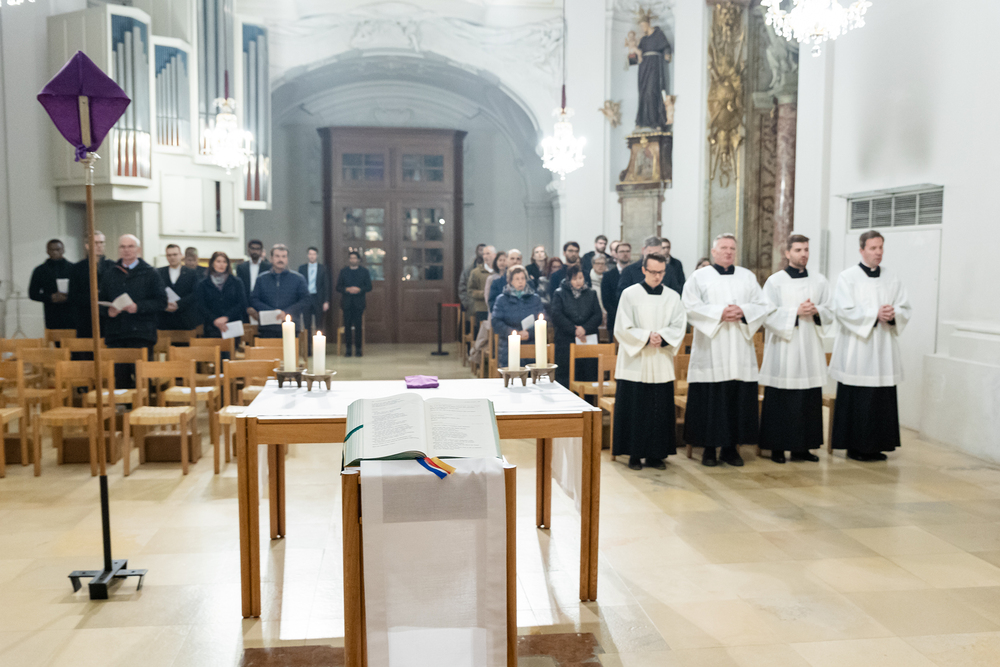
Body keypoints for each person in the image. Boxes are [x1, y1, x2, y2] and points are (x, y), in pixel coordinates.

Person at [682, 233, 773, 467]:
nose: (728, 252)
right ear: (714, 252)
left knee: (736, 398)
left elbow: (762, 305)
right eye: (723, 248)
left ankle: (731, 449)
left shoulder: (747, 276)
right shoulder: (699, 277)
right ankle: (709, 450)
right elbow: (689, 306)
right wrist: (719, 313)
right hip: (711, 348)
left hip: (739, 347)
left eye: (732, 248)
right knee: (712, 400)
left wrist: (743, 312)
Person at [830, 231, 912, 462]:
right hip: (859, 347)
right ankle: (855, 446)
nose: (878, 252)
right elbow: (843, 310)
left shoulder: (891, 277)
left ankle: (878, 445)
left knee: (881, 398)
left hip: (883, 347)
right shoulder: (848, 277)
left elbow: (905, 307)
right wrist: (874, 314)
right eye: (873, 248)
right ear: (861, 250)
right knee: (859, 397)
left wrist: (894, 314)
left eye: (880, 248)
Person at [759, 235, 834, 463]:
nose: (803, 254)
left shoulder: (819, 281)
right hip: (784, 348)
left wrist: (817, 310)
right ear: (787, 253)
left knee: (808, 399)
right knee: (782, 398)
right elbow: (767, 313)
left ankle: (803, 448)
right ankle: (777, 448)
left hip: (809, 347)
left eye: (806, 250)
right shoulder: (775, 281)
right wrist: (795, 312)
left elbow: (831, 309)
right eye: (798, 250)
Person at [613, 252, 688, 470]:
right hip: (635, 361)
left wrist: (662, 337)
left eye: (661, 272)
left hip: (660, 358)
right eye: (653, 272)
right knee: (636, 408)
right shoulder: (629, 294)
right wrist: (646, 337)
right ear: (644, 270)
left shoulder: (672, 297)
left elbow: (679, 325)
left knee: (659, 409)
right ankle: (634, 454)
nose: (657, 276)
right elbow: (621, 327)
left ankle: (657, 455)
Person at [100, 234, 167, 389]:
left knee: (142, 380)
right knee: (119, 381)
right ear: (118, 250)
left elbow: (161, 302)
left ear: (138, 249)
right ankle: (122, 405)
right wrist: (108, 311)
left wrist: (138, 307)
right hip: (116, 334)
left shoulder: (150, 273)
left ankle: (143, 404)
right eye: (123, 247)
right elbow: (100, 301)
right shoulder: (110, 273)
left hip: (141, 334)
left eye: (130, 246)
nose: (126, 250)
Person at [550, 264, 603, 387]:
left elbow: (597, 316)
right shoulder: (560, 293)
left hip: (587, 338)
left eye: (580, 278)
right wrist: (574, 330)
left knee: (588, 374)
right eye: (574, 279)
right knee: (566, 375)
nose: (578, 281)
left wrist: (584, 329)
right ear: (568, 280)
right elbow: (557, 315)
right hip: (566, 340)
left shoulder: (591, 293)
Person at [251, 244, 311, 339]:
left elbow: (306, 300)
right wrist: (272, 312)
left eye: (284, 256)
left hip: (290, 326)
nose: (280, 259)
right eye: (277, 256)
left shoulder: (298, 279)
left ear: (287, 259)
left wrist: (286, 312)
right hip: (267, 327)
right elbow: (254, 300)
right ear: (271, 258)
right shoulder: (262, 278)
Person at [490, 265, 545, 368]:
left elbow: (542, 320)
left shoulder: (535, 299)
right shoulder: (501, 299)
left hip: (531, 343)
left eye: (523, 278)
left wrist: (529, 333)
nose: (520, 282)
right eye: (517, 279)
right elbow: (496, 321)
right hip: (508, 345)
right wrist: (514, 333)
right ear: (510, 281)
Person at [69, 230, 115, 340]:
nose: (99, 246)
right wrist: (93, 296)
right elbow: (73, 296)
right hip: (86, 318)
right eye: (95, 243)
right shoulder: (77, 268)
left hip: (109, 318)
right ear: (87, 246)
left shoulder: (113, 267)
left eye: (101, 242)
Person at [197, 252, 247, 345]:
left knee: (232, 351)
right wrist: (215, 320)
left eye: (224, 262)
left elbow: (242, 303)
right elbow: (201, 306)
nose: (221, 264)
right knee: (213, 352)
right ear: (212, 263)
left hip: (232, 325)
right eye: (218, 261)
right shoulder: (203, 284)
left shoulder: (236, 282)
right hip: (212, 327)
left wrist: (226, 317)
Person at [28, 239, 74, 331]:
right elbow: (32, 294)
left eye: (58, 249)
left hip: (71, 312)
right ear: (47, 251)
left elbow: (81, 291)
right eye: (52, 250)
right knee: (54, 337)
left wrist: (68, 297)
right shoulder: (40, 270)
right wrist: (50, 297)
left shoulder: (73, 268)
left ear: (63, 250)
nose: (55, 252)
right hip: (51, 312)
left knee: (71, 337)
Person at [618, 236, 682, 298]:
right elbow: (622, 294)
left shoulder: (668, 269)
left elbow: (676, 291)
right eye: (650, 254)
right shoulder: (629, 270)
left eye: (656, 254)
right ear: (643, 250)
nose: (653, 258)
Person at [336, 250, 373, 357]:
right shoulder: (344, 271)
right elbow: (338, 287)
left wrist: (359, 289)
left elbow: (369, 286)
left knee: (358, 327)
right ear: (349, 260)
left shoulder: (364, 271)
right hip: (346, 303)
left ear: (358, 260)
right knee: (347, 327)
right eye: (351, 258)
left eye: (355, 258)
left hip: (359, 303)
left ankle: (358, 349)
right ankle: (348, 349)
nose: (353, 260)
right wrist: (347, 289)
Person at [157, 244, 200, 331]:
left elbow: (195, 293)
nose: (172, 257)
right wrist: (165, 304)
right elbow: (155, 292)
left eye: (175, 254)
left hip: (185, 319)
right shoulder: (158, 273)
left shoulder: (191, 273)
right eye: (169, 255)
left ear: (181, 255)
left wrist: (178, 304)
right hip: (164, 319)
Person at [298, 246, 331, 349]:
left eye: (314, 254)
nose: (312, 256)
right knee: (306, 324)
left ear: (317, 255)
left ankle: (318, 347)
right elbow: (299, 285)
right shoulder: (302, 268)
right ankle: (308, 348)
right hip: (306, 298)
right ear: (307, 255)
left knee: (319, 324)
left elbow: (326, 285)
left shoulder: (322, 268)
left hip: (318, 298)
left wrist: (326, 301)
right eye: (310, 254)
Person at [236, 239, 271, 321]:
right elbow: (240, 289)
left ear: (261, 251)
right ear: (248, 250)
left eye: (257, 249)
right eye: (253, 248)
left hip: (263, 305)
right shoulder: (241, 267)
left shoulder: (268, 267)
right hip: (245, 307)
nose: (255, 251)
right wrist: (247, 307)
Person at [602, 242, 632, 335]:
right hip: (614, 320)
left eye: (627, 251)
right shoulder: (608, 276)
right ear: (616, 254)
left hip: (633, 319)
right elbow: (606, 301)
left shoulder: (636, 274)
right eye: (622, 251)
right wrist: (619, 315)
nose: (625, 254)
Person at [466, 245, 496, 336]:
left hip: (496, 308)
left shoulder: (499, 272)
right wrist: (484, 294)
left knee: (494, 336)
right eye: (484, 254)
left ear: (494, 255)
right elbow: (470, 291)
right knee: (482, 336)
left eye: (488, 254)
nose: (485, 256)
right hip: (482, 308)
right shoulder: (476, 272)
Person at [458, 243, 486, 313]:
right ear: (476, 252)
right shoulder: (468, 270)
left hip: (486, 307)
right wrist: (467, 303)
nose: (482, 253)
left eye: (484, 251)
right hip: (472, 307)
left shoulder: (492, 270)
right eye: (480, 250)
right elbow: (462, 288)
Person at [590, 254, 609, 323]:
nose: (600, 266)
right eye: (598, 263)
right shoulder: (588, 279)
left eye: (602, 264)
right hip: (592, 314)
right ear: (593, 265)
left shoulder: (609, 278)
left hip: (607, 314)